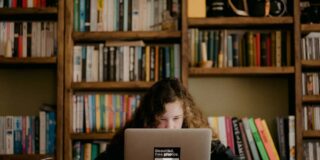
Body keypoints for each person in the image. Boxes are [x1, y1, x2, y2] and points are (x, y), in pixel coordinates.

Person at [95, 78, 236, 160]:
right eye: (162, 119)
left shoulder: (197, 136)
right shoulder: (132, 138)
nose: (170, 126)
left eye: (176, 118)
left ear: (185, 114)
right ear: (150, 116)